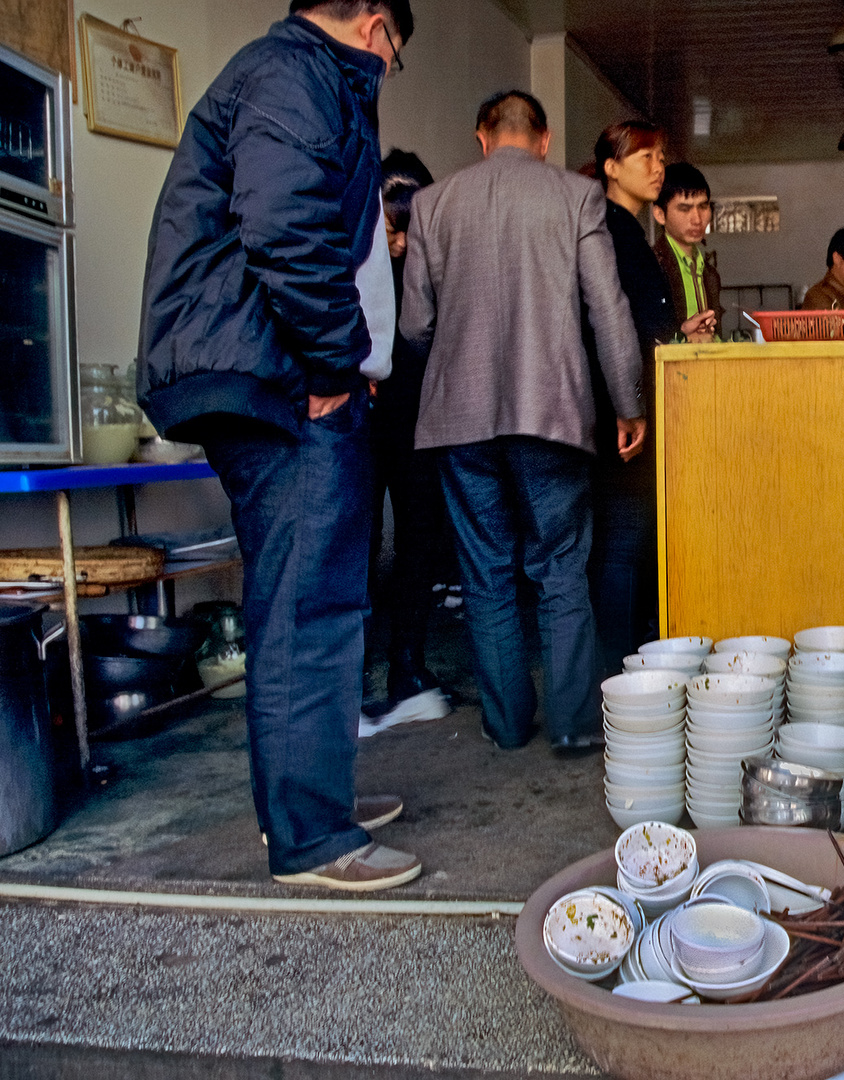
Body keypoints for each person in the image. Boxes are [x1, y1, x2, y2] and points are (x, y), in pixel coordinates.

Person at [137, 0, 420, 891]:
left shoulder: (280, 73)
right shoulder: (297, 74)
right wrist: (335, 362)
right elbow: (285, 223)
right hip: (278, 376)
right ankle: (310, 838)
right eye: (394, 54)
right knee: (312, 604)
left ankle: (309, 802)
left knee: (304, 597)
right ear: (376, 26)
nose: (386, 69)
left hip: (257, 365)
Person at [399, 91, 643, 754]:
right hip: (551, 413)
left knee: (486, 571)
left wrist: (455, 371)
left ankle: (506, 725)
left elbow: (415, 325)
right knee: (561, 565)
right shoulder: (576, 197)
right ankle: (570, 726)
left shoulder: (431, 203)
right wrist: (628, 403)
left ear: (482, 136)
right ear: (543, 139)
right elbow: (609, 313)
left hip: (459, 421)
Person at [360, 148, 454, 737]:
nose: (399, 244)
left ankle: (408, 668)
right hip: (364, 424)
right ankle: (350, 682)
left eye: (408, 232)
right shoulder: (357, 254)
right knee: (361, 548)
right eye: (393, 230)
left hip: (421, 422)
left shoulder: (435, 262)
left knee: (419, 545)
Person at [584, 120, 680, 679]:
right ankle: (615, 675)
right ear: (610, 167)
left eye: (660, 154)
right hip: (621, 413)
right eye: (642, 154)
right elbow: (612, 325)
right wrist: (629, 406)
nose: (656, 164)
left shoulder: (629, 231)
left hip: (630, 406)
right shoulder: (609, 232)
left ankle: (621, 665)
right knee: (622, 540)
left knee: (629, 538)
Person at [651, 162, 721, 342]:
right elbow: (645, 340)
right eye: (684, 209)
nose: (697, 219)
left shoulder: (709, 273)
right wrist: (682, 337)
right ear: (660, 214)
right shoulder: (650, 267)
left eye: (703, 207)